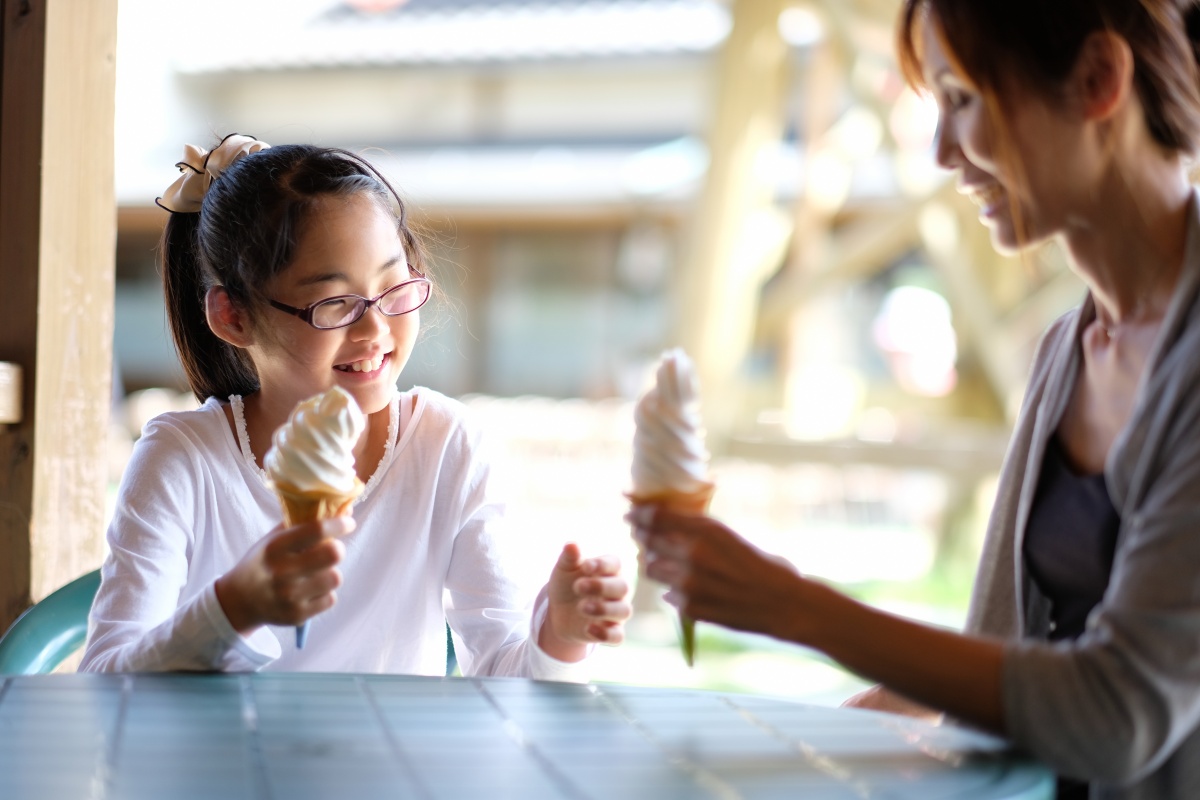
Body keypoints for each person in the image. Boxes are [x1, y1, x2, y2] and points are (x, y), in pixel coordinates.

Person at [631, 0, 1200, 796]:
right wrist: (876, 708)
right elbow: (1009, 642)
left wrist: (792, 607)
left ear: (1099, 81)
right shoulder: (1065, 355)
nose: (941, 151)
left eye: (962, 101)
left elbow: (1117, 715)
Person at [82, 134, 631, 679]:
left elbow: (503, 677)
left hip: (391, 766)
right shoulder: (183, 459)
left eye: (393, 288)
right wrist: (235, 607)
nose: (375, 329)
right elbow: (103, 682)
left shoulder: (447, 448)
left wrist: (559, 636)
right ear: (234, 316)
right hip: (219, 766)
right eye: (335, 303)